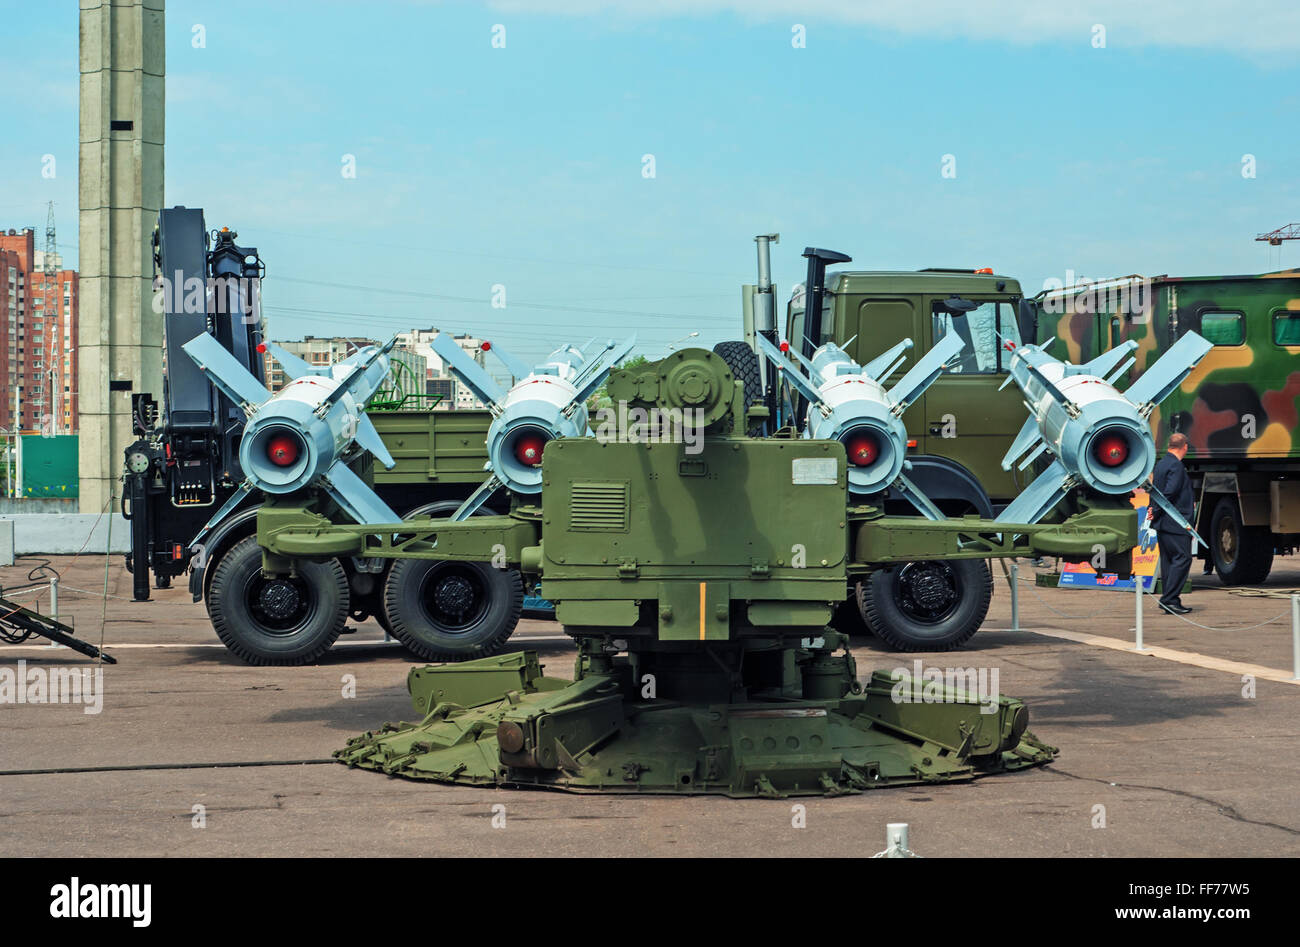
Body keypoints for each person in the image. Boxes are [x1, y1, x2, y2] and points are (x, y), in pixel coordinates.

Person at [1149, 433, 1195, 615]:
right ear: (1185, 446)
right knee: (1183, 558)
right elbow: (1169, 493)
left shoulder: (1161, 464)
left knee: (1169, 561)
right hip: (1175, 522)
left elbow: (1156, 491)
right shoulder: (1176, 466)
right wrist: (1158, 510)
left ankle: (1171, 600)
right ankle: (1169, 599)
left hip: (1162, 524)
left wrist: (1153, 511)